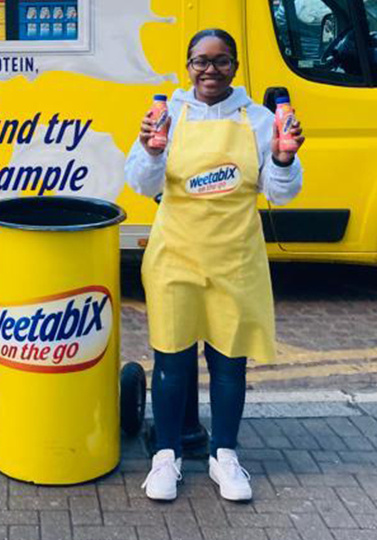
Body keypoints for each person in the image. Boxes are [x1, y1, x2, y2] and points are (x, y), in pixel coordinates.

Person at [125, 28, 304, 504]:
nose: (210, 70)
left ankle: (225, 455)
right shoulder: (169, 116)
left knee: (230, 364)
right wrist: (150, 151)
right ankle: (166, 456)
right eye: (201, 61)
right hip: (176, 254)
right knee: (171, 360)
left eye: (221, 61)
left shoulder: (260, 120)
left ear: (235, 67)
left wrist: (284, 160)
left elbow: (282, 194)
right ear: (187, 66)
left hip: (236, 257)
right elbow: (140, 185)